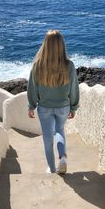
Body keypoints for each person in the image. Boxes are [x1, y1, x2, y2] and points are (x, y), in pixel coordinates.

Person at [27, 30, 79, 174]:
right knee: (60, 130)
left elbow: (31, 88)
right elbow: (74, 88)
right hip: (63, 106)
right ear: (61, 45)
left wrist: (31, 106)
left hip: (44, 108)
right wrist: (74, 106)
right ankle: (62, 157)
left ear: (46, 45)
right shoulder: (69, 65)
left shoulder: (37, 65)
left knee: (48, 139)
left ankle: (51, 168)